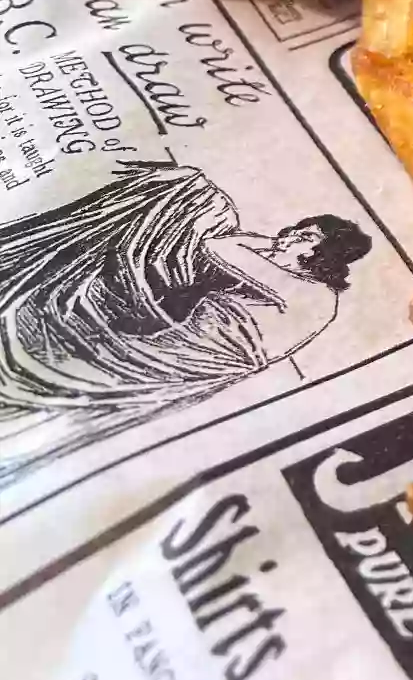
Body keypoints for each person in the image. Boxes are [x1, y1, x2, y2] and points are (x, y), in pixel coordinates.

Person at [0, 157, 371, 485]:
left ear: (323, 256)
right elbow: (226, 245)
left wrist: (198, 198)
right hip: (175, 324)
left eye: (303, 236)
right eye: (294, 229)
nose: (287, 236)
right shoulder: (276, 261)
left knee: (190, 199)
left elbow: (218, 247)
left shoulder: (317, 296)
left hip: (187, 353)